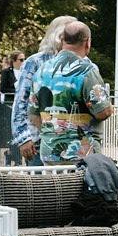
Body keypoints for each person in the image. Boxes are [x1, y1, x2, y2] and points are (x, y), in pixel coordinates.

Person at [28, 22, 114, 164]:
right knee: (80, 187)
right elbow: (103, 112)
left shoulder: (41, 71)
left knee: (54, 187)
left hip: (49, 152)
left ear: (62, 40)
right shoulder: (87, 71)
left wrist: (52, 133)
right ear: (87, 43)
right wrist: (109, 108)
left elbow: (33, 115)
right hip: (82, 154)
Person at [11, 17, 76, 165]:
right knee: (41, 186)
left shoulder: (81, 63)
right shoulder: (35, 62)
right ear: (59, 36)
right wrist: (24, 138)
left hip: (73, 142)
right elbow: (20, 101)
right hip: (39, 141)